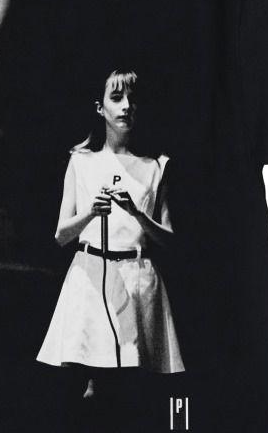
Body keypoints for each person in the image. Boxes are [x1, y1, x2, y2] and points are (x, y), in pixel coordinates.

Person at [36, 69, 185, 397]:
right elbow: (61, 235)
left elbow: (170, 239)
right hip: (90, 277)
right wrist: (91, 211)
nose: (126, 106)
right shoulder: (81, 161)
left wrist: (136, 213)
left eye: (132, 99)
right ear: (100, 108)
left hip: (137, 279)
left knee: (134, 384)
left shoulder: (155, 166)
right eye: (117, 98)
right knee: (90, 388)